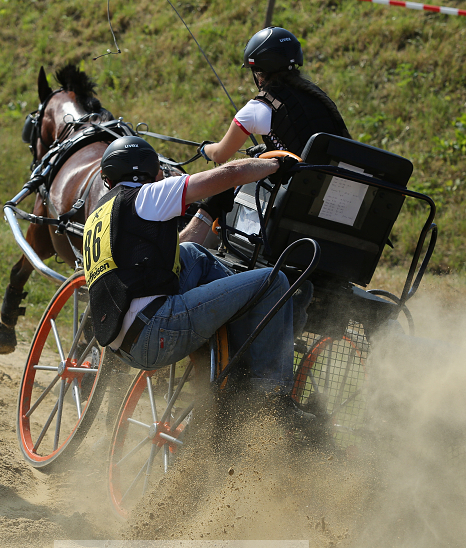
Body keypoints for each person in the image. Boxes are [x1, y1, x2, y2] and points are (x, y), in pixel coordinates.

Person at [83, 136, 313, 426]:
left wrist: (209, 209)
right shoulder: (147, 196)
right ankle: (273, 399)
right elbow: (229, 174)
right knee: (275, 282)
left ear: (106, 178)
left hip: (123, 342)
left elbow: (170, 254)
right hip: (157, 330)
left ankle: (248, 331)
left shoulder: (101, 213)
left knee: (193, 254)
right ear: (155, 173)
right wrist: (273, 164)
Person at [199, 26, 351, 165]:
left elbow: (219, 154)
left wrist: (205, 149)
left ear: (259, 72)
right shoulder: (316, 96)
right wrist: (269, 148)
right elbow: (306, 139)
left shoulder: (259, 107)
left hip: (303, 191)